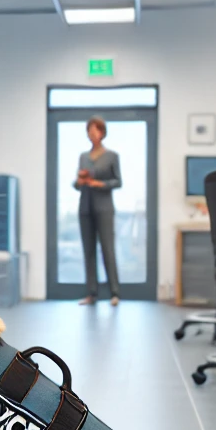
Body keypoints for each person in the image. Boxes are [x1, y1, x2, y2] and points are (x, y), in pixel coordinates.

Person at [75, 116, 122, 306]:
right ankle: (92, 294)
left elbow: (118, 181)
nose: (91, 133)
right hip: (85, 207)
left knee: (107, 250)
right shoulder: (83, 157)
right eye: (89, 130)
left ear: (102, 133)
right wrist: (80, 181)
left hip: (104, 208)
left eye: (95, 130)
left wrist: (99, 183)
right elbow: (77, 184)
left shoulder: (112, 156)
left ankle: (114, 293)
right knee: (89, 251)